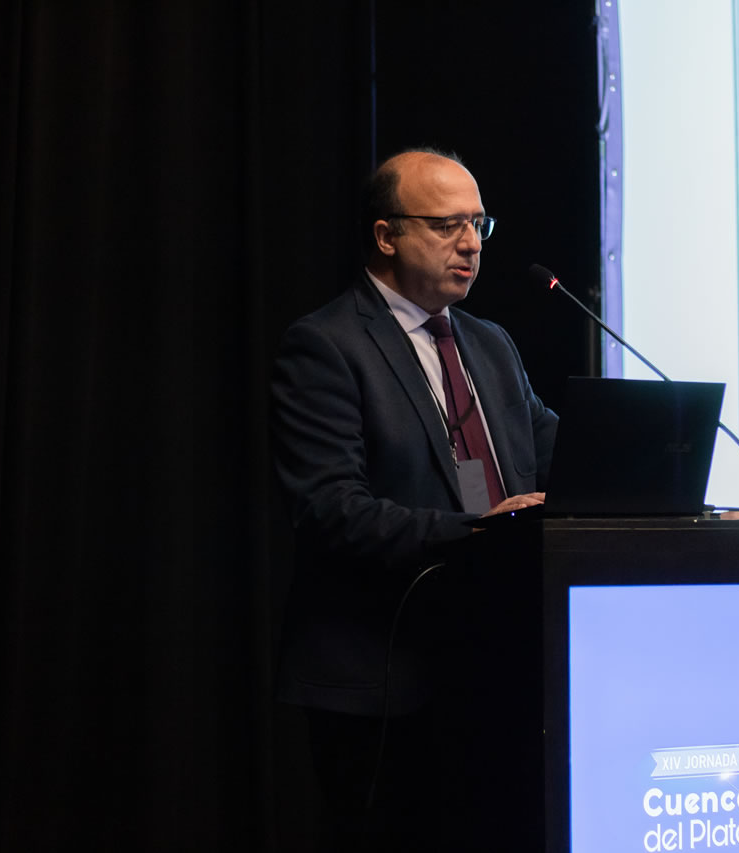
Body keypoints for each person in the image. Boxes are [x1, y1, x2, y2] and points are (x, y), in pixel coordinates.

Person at [271, 148, 558, 851]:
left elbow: (555, 456)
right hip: (384, 686)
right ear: (386, 235)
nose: (470, 243)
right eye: (446, 224)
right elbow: (331, 509)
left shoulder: (492, 345)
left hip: (495, 672)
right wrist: (478, 532)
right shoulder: (326, 345)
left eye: (479, 224)